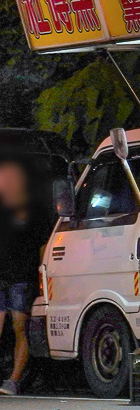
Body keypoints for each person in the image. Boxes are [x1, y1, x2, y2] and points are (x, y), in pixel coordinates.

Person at [0, 156, 53, 396]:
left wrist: (42, 275)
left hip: (22, 276)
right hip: (3, 276)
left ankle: (13, 380)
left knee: (19, 326)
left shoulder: (36, 212)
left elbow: (43, 247)